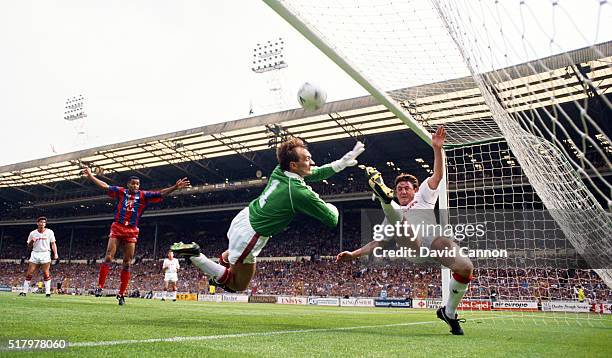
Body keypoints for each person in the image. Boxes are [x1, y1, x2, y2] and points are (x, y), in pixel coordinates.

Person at [172, 138, 365, 292]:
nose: (312, 162)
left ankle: (227, 259)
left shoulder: (280, 170)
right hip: (250, 236)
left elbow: (314, 172)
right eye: (306, 159)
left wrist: (340, 164)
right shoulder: (297, 191)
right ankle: (196, 256)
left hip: (244, 217)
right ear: (294, 166)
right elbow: (332, 219)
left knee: (232, 258)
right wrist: (332, 206)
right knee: (237, 285)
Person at [336, 126, 474, 335]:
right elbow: (377, 243)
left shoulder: (424, 196)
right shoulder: (393, 213)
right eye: (398, 189)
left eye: (406, 188)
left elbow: (437, 176)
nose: (402, 190)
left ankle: (449, 312)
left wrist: (437, 148)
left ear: (415, 190)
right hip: (413, 248)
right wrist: (353, 255)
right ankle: (384, 200)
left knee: (465, 267)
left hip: (434, 243)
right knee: (402, 225)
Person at [82, 166, 190, 305]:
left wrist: (175, 187)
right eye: (133, 183)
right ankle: (100, 287)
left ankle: (121, 294)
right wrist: (91, 176)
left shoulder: (143, 195)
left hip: (131, 231)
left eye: (137, 184)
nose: (135, 186)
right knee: (108, 257)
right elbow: (105, 186)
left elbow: (160, 193)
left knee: (127, 263)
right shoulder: (121, 192)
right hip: (118, 227)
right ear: (128, 184)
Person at [20, 217, 58, 297]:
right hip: (35, 253)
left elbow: (53, 243)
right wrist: (32, 241)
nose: (42, 224)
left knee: (46, 273)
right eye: (41, 222)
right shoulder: (33, 233)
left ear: (45, 224)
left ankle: (48, 293)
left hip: (45, 253)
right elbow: (29, 246)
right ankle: (24, 291)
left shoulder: (49, 232)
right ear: (37, 223)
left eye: (44, 222)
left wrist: (55, 253)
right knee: (29, 272)